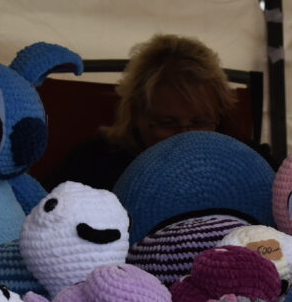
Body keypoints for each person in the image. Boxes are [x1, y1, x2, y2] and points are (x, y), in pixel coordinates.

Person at [54, 34, 240, 190]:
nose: (185, 137)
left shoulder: (242, 165)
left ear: (219, 115)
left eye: (199, 122)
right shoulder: (91, 170)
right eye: (167, 123)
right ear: (136, 114)